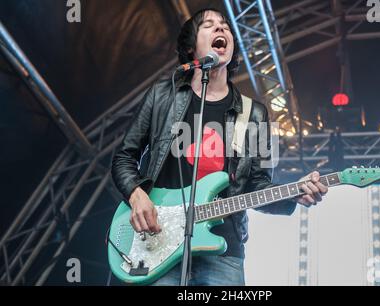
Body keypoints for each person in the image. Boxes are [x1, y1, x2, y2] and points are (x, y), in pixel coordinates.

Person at [111, 8, 328, 286]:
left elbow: (257, 185)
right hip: (156, 242)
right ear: (191, 47)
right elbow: (124, 157)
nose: (221, 29)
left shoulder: (254, 114)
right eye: (209, 25)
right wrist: (137, 195)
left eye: (225, 26)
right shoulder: (163, 96)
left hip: (223, 251)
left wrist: (293, 193)